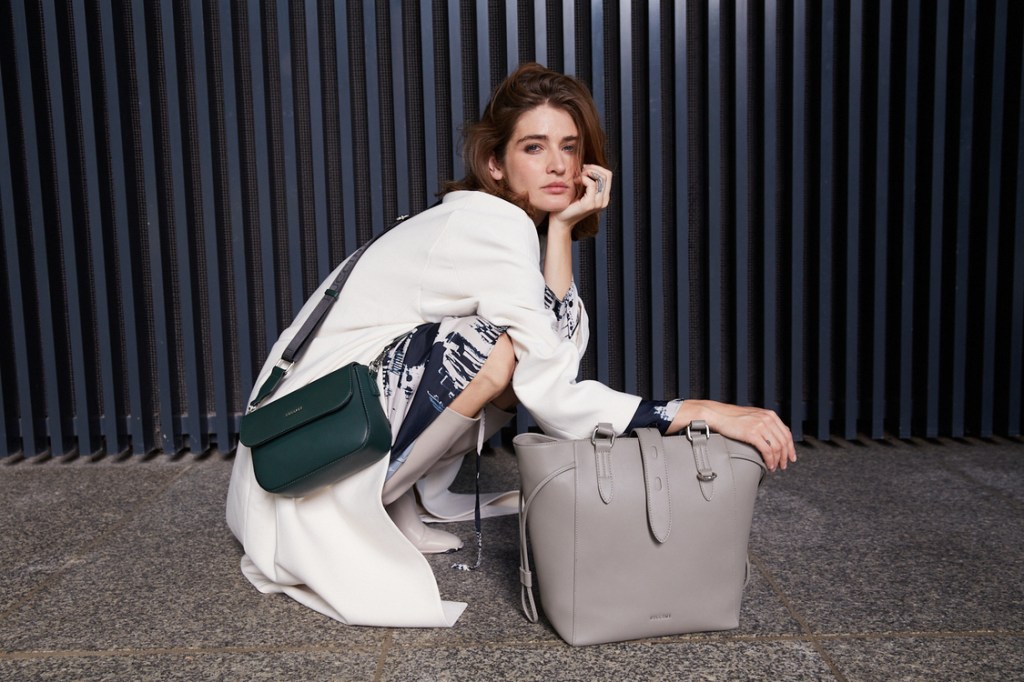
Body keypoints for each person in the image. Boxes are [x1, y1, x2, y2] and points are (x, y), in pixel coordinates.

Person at [225, 63, 796, 628]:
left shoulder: (497, 223)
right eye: (533, 147)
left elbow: (556, 340)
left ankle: (394, 502)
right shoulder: (493, 225)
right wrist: (695, 411)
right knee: (495, 352)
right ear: (495, 164)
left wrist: (562, 229)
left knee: (511, 349)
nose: (558, 165)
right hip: (306, 448)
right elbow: (550, 387)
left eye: (569, 147)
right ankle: (372, 503)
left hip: (309, 431)